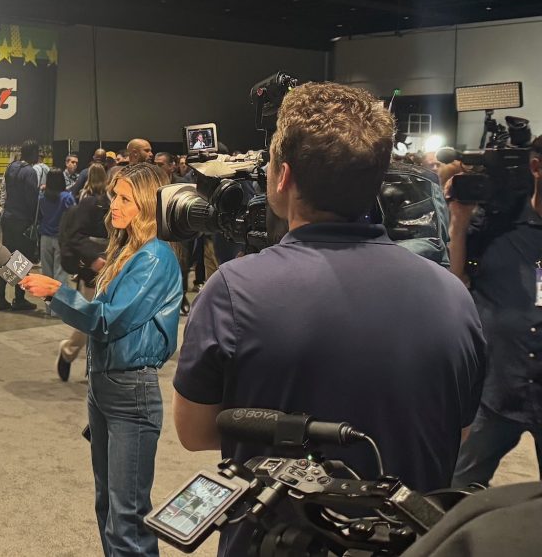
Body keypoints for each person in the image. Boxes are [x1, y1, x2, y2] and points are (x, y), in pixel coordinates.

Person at [171, 82, 486, 557]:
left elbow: (194, 432)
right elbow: (455, 433)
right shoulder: (453, 297)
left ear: (282, 177)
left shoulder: (233, 290)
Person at [22, 163, 183, 557]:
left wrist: (55, 291)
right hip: (104, 387)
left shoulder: (155, 258)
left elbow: (106, 319)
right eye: (115, 195)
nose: (114, 204)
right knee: (107, 506)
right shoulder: (128, 250)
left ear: (147, 206)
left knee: (127, 517)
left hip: (131, 392)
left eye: (125, 198)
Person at [447, 135, 542, 488]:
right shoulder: (496, 226)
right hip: (498, 392)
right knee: (454, 492)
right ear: (536, 167)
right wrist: (459, 222)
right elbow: (458, 281)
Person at [55, 162, 110, 380]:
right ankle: (70, 352)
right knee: (92, 320)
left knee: (106, 321)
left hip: (119, 269)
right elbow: (74, 237)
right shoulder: (91, 203)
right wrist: (94, 259)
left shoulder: (128, 207)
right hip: (94, 272)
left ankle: (93, 364)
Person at [0, 140, 43, 311]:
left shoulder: (12, 166)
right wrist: (37, 219)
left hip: (8, 217)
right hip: (22, 220)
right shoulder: (30, 172)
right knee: (21, 260)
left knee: (7, 257)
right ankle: (19, 298)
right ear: (33, 153)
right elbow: (31, 199)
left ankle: (0, 296)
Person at [39, 169, 76, 316]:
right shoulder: (67, 197)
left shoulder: (42, 197)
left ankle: (49, 308)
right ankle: (59, 310)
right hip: (62, 239)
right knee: (60, 275)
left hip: (45, 238)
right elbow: (74, 214)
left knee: (46, 275)